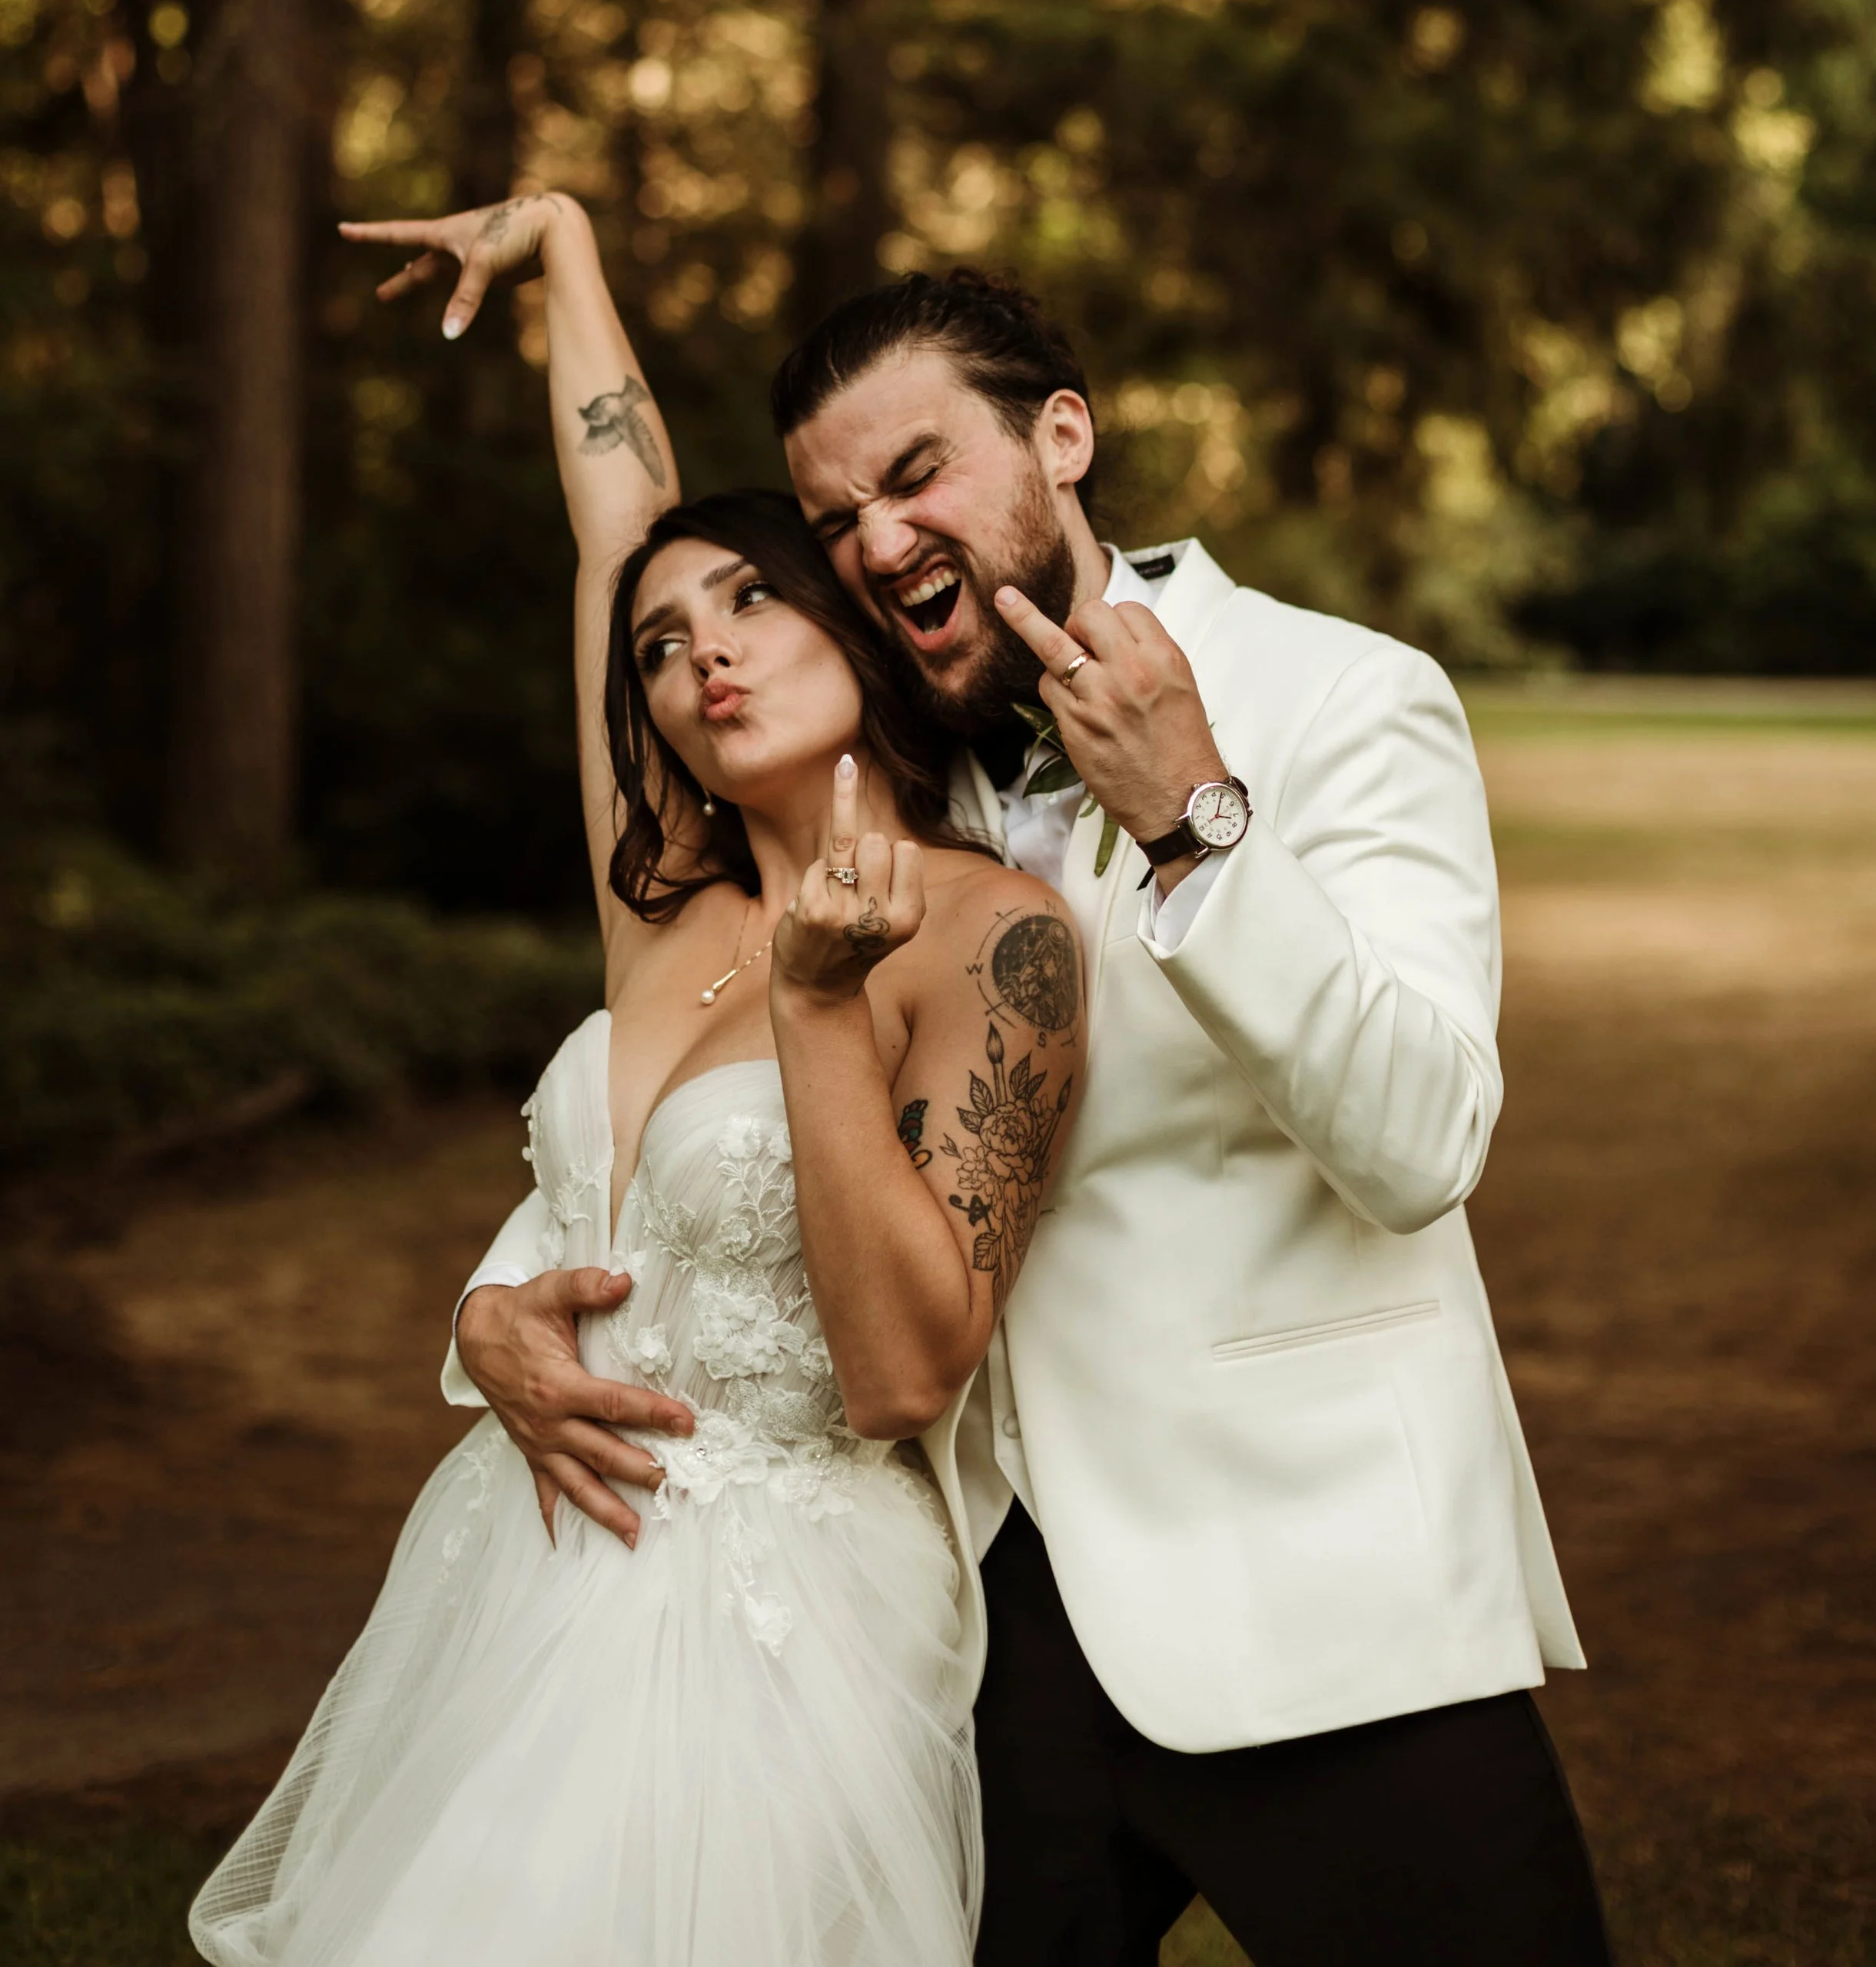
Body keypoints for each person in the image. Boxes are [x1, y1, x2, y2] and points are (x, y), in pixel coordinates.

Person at [457, 264, 1614, 1966]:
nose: (876, 540)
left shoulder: (1344, 694)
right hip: (971, 1619)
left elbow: (1422, 1141)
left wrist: (1195, 819)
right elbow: (691, 1091)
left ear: (1060, 436)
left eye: (915, 473)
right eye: (835, 518)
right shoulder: (892, 758)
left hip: (1317, 1581)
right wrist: (495, 1300)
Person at [188, 198, 1084, 1967]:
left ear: (856, 621)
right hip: (525, 1558)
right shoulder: (660, 903)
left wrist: (822, 1006)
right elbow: (616, 526)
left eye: (750, 598)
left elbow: (907, 1373)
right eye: (663, 646)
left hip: (784, 1610)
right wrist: (563, 246)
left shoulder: (991, 939)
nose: (699, 654)